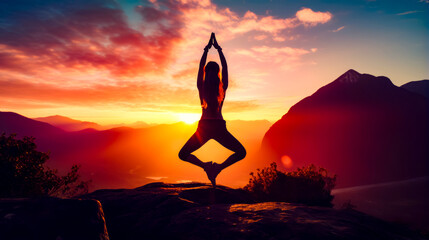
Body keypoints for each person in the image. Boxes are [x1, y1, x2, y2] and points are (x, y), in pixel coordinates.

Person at [178, 33, 246, 187]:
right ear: (217, 74)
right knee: (241, 153)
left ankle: (207, 167)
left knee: (183, 154)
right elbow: (225, 67)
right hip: (218, 127)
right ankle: (216, 168)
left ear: (207, 73)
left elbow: (200, 68)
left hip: (204, 128)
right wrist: (219, 50)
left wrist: (206, 50)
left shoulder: (202, 88)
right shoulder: (222, 89)